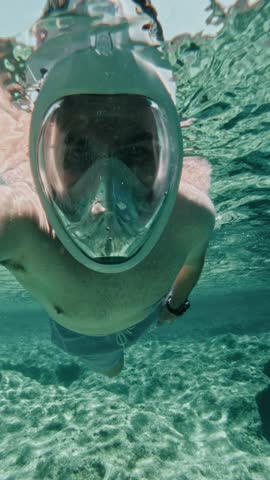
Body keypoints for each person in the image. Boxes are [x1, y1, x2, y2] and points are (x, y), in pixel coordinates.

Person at [0, 0, 215, 377]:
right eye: (78, 152)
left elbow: (192, 265)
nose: (107, 191)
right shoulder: (25, 226)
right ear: (43, 157)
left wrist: (175, 305)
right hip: (78, 335)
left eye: (134, 152)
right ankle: (109, 363)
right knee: (111, 370)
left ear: (168, 156)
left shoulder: (194, 216)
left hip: (143, 320)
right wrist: (174, 306)